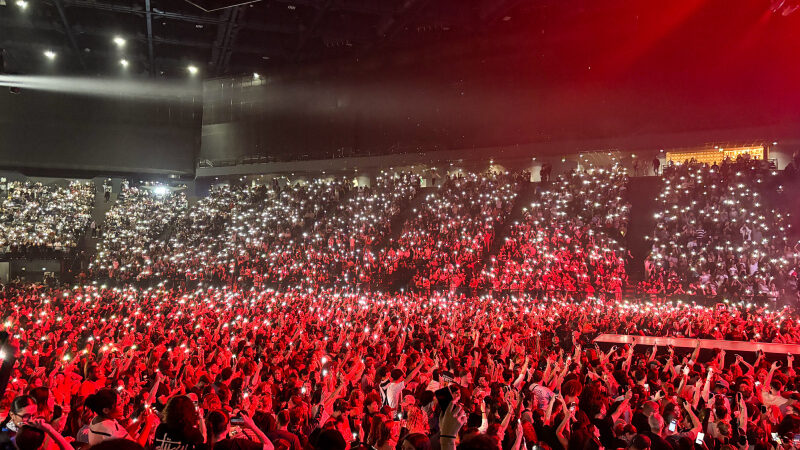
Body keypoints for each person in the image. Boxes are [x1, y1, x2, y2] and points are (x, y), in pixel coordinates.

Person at [206, 410, 274, 450]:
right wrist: (253, 426)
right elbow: (270, 447)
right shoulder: (237, 444)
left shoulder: (201, 446)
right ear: (227, 427)